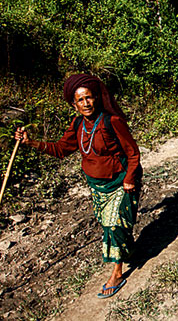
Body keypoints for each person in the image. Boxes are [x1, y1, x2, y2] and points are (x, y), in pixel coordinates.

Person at [14, 74, 142, 299]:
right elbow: (61, 150)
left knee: (113, 225)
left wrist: (130, 178)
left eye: (89, 98)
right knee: (110, 224)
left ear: (96, 99)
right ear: (74, 104)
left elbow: (133, 153)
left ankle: (117, 273)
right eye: (80, 100)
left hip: (121, 182)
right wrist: (30, 143)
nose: (86, 103)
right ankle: (126, 249)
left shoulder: (112, 122)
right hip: (97, 185)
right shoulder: (78, 125)